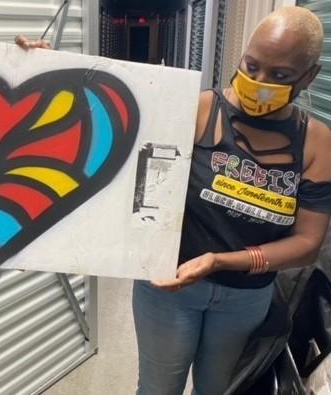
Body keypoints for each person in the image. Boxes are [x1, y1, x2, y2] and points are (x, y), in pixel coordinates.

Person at [16, 5, 331, 394]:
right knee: (158, 387)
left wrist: (223, 260)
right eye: (251, 66)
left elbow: (306, 245)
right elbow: (106, 131)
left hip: (245, 298)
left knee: (216, 389)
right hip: (169, 286)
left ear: (308, 76)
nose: (259, 81)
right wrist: (48, 74)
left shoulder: (315, 142)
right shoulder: (198, 110)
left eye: (279, 76)